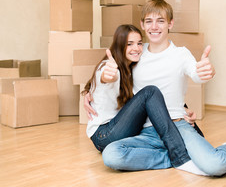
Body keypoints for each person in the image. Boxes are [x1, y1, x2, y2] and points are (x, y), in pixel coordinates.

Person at [85, 0, 226, 176]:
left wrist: (207, 71)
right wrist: (89, 92)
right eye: (149, 21)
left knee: (215, 166)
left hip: (177, 125)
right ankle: (179, 157)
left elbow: (197, 73)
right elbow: (113, 76)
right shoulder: (136, 53)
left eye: (160, 21)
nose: (154, 26)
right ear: (142, 24)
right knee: (112, 155)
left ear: (170, 24)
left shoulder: (181, 54)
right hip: (145, 130)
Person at [82, 24, 207, 175]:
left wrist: (183, 110)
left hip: (121, 127)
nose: (136, 48)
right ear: (119, 45)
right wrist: (108, 75)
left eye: (139, 43)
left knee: (154, 98)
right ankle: (181, 157)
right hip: (104, 134)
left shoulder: (131, 68)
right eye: (129, 44)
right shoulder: (109, 67)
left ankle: (186, 145)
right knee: (150, 92)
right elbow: (105, 76)